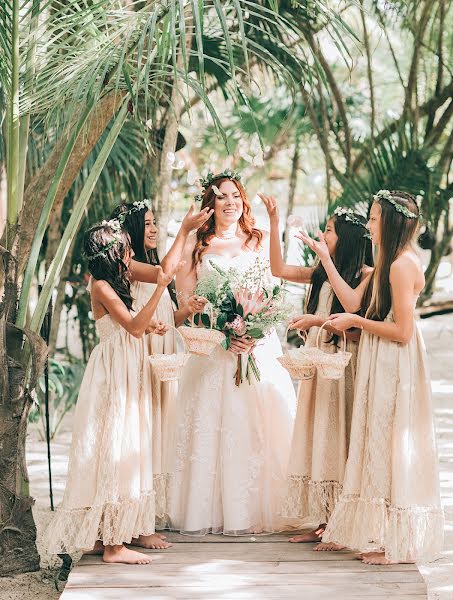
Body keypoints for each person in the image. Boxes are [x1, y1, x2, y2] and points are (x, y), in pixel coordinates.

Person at [298, 190, 444, 564]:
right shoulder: (390, 261)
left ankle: (399, 546)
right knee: (380, 444)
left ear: (392, 223)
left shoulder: (399, 266)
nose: (369, 225)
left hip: (395, 361)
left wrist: (355, 322)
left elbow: (403, 331)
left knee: (392, 444)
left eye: (375, 218)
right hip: (384, 357)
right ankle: (386, 538)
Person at [166, 171, 297, 535]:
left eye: (235, 196)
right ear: (211, 203)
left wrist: (252, 331)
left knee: (259, 422)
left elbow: (273, 290)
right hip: (213, 349)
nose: (229, 202)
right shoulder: (196, 244)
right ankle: (213, 511)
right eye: (221, 196)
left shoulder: (259, 239)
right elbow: (188, 302)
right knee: (214, 424)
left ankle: (260, 508)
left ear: (243, 201)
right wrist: (223, 332)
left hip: (257, 344)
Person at [45, 221, 177, 564]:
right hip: (112, 375)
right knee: (114, 446)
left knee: (116, 446)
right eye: (127, 249)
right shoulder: (101, 285)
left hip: (124, 367)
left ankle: (102, 534)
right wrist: (160, 290)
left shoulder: (116, 284)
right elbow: (131, 328)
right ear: (114, 253)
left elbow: (131, 323)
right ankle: (114, 547)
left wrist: (152, 324)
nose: (132, 254)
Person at [261, 195, 373, 549]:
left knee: (340, 438)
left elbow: (357, 326)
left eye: (329, 230)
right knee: (319, 438)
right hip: (316, 365)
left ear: (349, 240)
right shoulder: (321, 274)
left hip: (343, 368)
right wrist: (274, 221)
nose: (323, 235)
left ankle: (341, 525)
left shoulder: (366, 276)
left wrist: (316, 321)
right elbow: (278, 270)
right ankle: (324, 521)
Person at [110, 201, 211, 525]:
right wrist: (184, 229)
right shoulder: (131, 266)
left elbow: (167, 314)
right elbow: (163, 274)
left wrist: (186, 311)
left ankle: (150, 514)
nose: (153, 230)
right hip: (145, 355)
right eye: (149, 224)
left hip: (164, 350)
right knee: (147, 429)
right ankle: (140, 518)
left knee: (161, 429)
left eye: (156, 224)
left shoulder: (149, 262)